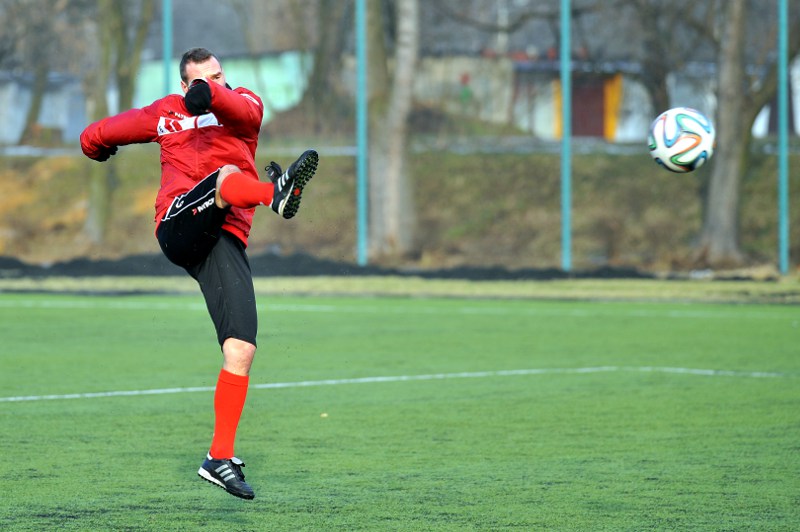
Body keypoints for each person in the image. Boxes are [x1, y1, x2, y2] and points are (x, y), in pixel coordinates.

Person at [80, 47, 318, 500]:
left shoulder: (245, 103)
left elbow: (233, 106)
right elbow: (103, 130)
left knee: (241, 349)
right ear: (182, 85)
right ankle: (275, 194)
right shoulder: (166, 112)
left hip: (223, 239)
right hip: (178, 223)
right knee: (224, 176)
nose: (217, 82)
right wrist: (95, 145)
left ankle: (217, 458)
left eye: (219, 74)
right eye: (204, 78)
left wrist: (208, 92)